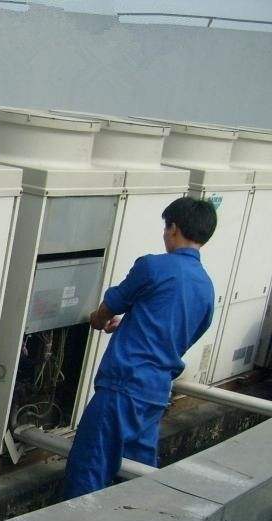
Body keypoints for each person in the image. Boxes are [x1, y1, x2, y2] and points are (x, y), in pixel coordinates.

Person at [63, 197, 218, 499]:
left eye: (166, 228)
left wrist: (97, 319)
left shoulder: (153, 267)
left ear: (174, 228)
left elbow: (110, 306)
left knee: (88, 469)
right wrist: (133, 325)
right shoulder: (206, 286)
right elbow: (181, 332)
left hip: (122, 388)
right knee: (137, 479)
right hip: (156, 394)